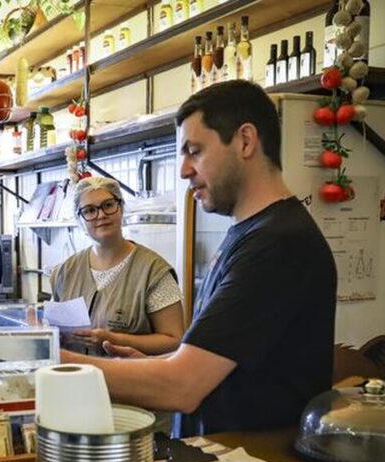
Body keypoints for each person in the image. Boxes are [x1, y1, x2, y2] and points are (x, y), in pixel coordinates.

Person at [61, 81, 337, 437]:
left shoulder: (279, 244)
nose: (183, 170)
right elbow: (223, 362)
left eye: (194, 151)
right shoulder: (251, 234)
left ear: (245, 141)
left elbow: (182, 387)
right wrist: (154, 364)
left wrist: (51, 364)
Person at [50, 176, 185, 356]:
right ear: (79, 219)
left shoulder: (153, 272)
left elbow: (174, 340)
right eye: (89, 210)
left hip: (129, 381)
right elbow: (54, 329)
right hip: (74, 379)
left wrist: (115, 339)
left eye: (108, 205)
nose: (101, 215)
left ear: (121, 208)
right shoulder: (65, 272)